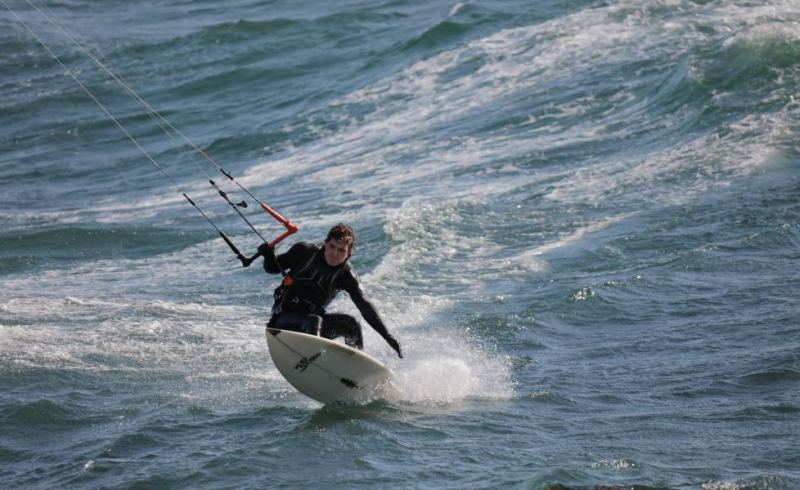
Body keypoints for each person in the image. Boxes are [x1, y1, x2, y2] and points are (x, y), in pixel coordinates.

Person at [257, 223, 403, 358]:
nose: (334, 254)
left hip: (314, 327)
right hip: (282, 320)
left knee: (351, 324)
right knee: (314, 321)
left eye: (341, 250)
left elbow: (365, 306)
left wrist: (387, 336)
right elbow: (273, 268)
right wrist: (268, 255)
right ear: (325, 244)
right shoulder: (304, 251)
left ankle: (354, 367)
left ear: (349, 254)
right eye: (332, 247)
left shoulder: (346, 276)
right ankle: (315, 362)